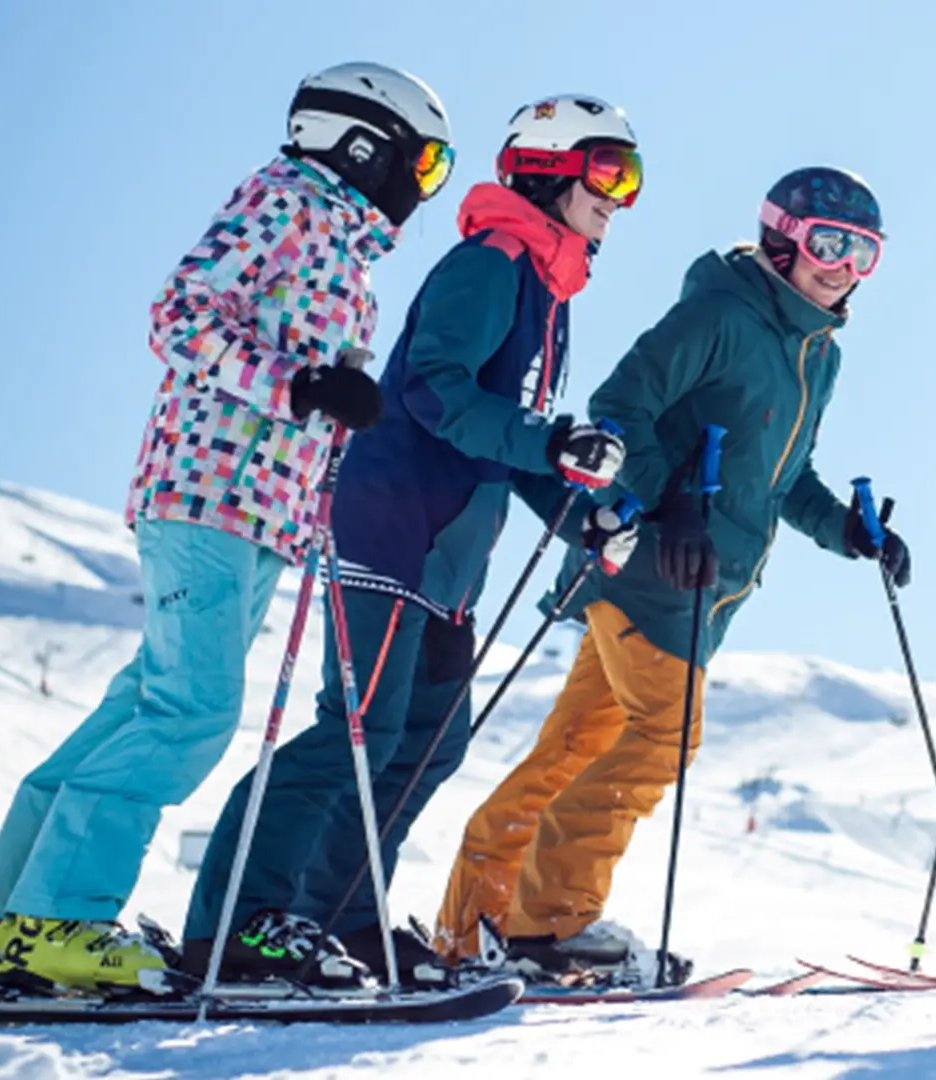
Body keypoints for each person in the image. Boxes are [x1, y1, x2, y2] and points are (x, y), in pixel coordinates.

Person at [0, 62, 453, 992]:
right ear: (363, 144)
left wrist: (328, 429)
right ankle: (60, 919)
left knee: (144, 705)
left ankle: (11, 915)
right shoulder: (288, 201)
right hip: (208, 490)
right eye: (421, 160)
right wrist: (302, 385)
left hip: (258, 508)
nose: (420, 184)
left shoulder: (347, 255)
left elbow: (308, 388)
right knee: (190, 711)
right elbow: (181, 313)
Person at [179, 94, 638, 987]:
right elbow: (435, 394)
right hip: (396, 527)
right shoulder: (490, 263)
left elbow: (517, 429)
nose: (619, 194)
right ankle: (231, 922)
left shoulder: (547, 288)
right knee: (354, 733)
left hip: (451, 555)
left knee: (427, 741)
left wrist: (588, 514)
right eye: (609, 169)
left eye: (631, 177)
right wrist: (549, 443)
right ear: (547, 167)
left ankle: (338, 917)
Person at [429, 166, 910, 976]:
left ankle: (473, 925)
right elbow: (622, 404)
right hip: (649, 565)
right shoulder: (721, 313)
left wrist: (850, 533)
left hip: (704, 589)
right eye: (830, 244)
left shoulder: (817, 354)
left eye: (866, 254)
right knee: (664, 735)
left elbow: (786, 477)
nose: (843, 266)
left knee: (574, 751)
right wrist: (665, 504)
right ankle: (550, 925)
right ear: (782, 237)